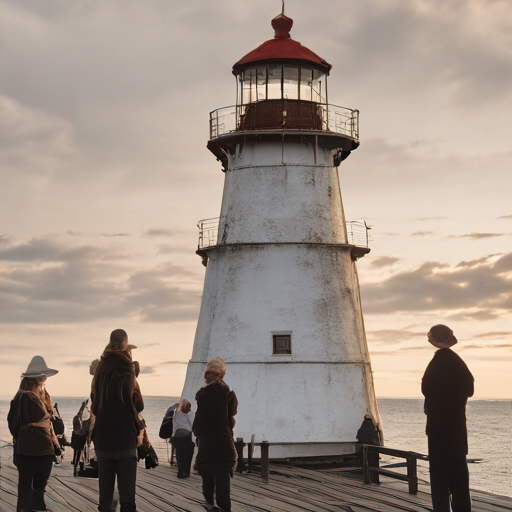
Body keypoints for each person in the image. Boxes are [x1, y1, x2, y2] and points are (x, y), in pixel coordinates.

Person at [422, 324, 474, 512]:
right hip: (457, 426)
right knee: (459, 477)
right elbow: (470, 388)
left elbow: (427, 389)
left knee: (439, 477)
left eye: (429, 336)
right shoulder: (458, 361)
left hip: (439, 427)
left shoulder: (438, 361)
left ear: (434, 338)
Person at [91, 329, 144, 512]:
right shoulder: (127, 369)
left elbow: (95, 405)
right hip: (124, 438)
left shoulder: (100, 369)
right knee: (127, 499)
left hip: (103, 438)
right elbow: (138, 404)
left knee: (105, 500)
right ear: (125, 344)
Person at [7, 355, 61, 512]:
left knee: (25, 492)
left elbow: (13, 428)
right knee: (38, 491)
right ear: (38, 380)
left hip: (26, 451)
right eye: (43, 377)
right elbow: (52, 427)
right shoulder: (41, 400)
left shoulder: (18, 399)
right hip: (43, 451)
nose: (45, 379)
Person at [193, 358, 238, 512]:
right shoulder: (229, 392)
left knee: (207, 477)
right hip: (223, 442)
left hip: (206, 441)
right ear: (222, 373)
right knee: (222, 478)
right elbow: (231, 414)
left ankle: (210, 505)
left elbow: (199, 419)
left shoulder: (201, 394)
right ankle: (223, 508)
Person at [171, 399, 195, 478]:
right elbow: (192, 424)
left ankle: (181, 471)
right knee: (188, 453)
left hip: (177, 435)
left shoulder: (177, 413)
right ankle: (186, 472)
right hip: (187, 434)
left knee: (180, 454)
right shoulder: (190, 414)